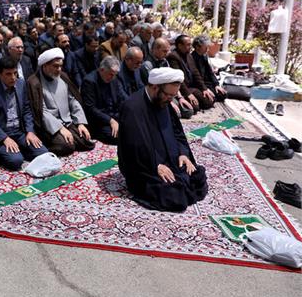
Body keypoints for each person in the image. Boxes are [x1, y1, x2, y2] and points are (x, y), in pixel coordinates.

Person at [118, 67, 208, 212]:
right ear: (155, 87)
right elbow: (133, 148)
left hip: (171, 159)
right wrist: (156, 165)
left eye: (173, 96)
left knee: (197, 177)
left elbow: (178, 132)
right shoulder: (133, 108)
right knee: (174, 196)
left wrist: (183, 154)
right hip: (144, 165)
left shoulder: (163, 101)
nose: (171, 99)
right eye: (168, 95)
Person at [0, 56, 47, 170]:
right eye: (8, 74)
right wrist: (4, 138)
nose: (13, 77)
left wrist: (30, 131)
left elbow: (27, 110)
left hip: (19, 132)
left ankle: (19, 151)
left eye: (15, 73)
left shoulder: (21, 84)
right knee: (16, 161)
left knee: (43, 153)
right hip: (2, 134)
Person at [26, 48, 94, 156]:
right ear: (45, 65)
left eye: (60, 66)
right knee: (67, 146)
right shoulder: (34, 82)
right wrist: (60, 128)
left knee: (86, 141)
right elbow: (41, 111)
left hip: (68, 121)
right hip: (49, 127)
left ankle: (71, 136)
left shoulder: (63, 76)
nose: (59, 69)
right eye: (55, 66)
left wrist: (80, 123)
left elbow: (72, 100)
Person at [81, 56, 127, 145]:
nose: (112, 77)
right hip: (100, 121)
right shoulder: (89, 81)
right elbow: (90, 108)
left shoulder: (114, 79)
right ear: (102, 70)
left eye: (114, 75)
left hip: (115, 116)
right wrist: (110, 120)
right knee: (120, 136)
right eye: (110, 74)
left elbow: (122, 97)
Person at [167, 35, 215, 111]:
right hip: (181, 88)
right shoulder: (173, 56)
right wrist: (188, 94)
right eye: (188, 45)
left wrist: (204, 89)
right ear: (180, 46)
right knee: (194, 107)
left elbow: (196, 73)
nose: (190, 47)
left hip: (192, 87)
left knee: (209, 100)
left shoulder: (188, 55)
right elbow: (178, 79)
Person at [191, 36, 227, 102]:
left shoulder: (204, 56)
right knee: (209, 99)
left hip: (206, 82)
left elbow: (210, 72)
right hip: (197, 84)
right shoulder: (192, 58)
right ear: (197, 47)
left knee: (222, 94)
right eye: (206, 47)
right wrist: (204, 88)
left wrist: (216, 85)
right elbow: (196, 77)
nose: (207, 49)